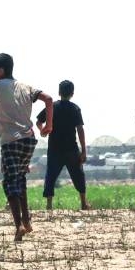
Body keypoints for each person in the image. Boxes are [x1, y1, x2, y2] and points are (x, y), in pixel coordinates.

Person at [0, 53, 52, 241]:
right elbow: (49, 99)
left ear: (1, 70)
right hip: (28, 140)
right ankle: (27, 222)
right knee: (19, 179)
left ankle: (19, 225)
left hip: (10, 140)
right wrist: (49, 125)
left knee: (10, 182)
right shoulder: (26, 87)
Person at [36, 80, 89, 211]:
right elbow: (80, 130)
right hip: (71, 148)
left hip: (54, 149)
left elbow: (38, 121)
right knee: (78, 175)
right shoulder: (75, 108)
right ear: (72, 93)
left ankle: (49, 205)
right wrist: (83, 151)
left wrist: (42, 129)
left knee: (51, 176)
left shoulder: (52, 107)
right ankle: (83, 203)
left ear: (59, 92)